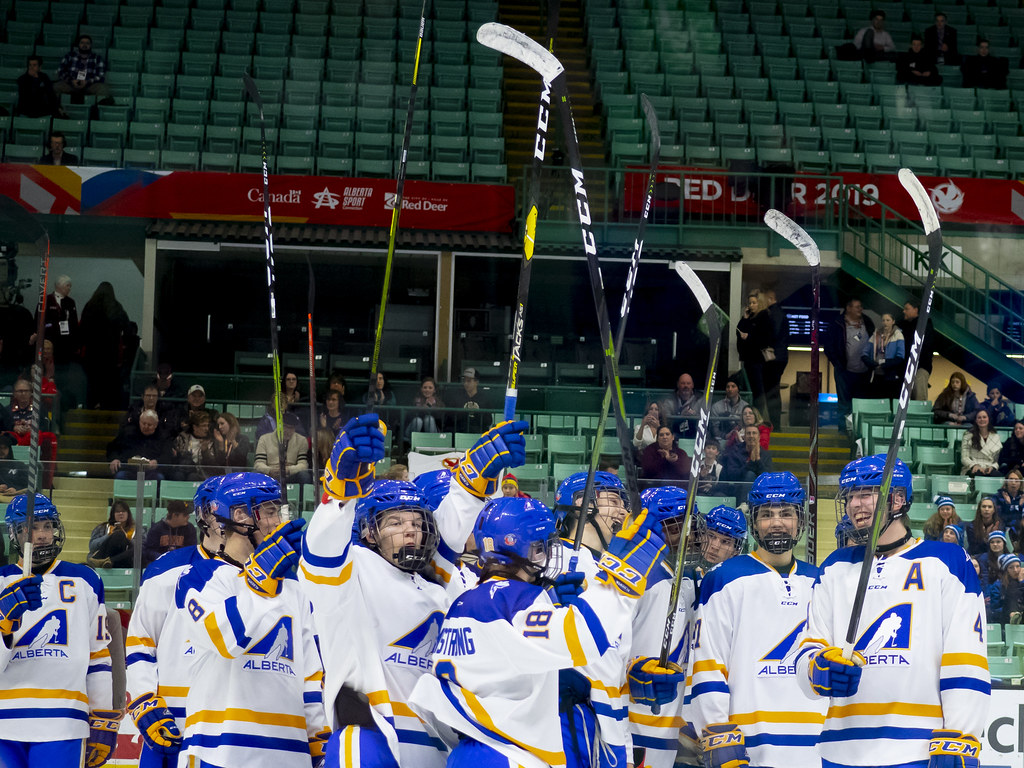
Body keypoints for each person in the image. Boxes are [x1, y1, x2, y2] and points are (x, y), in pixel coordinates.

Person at [299, 414, 527, 767]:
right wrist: (339, 493)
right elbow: (321, 552)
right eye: (395, 522)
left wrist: (475, 475)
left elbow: (449, 534)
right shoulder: (352, 572)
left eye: (417, 523)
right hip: (372, 741)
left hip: (436, 744)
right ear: (369, 532)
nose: (410, 531)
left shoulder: (438, 585)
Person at [408, 494, 670, 768]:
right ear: (518, 548)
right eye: (540, 547)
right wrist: (622, 576)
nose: (546, 555)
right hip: (506, 753)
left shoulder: (471, 599)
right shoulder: (514, 599)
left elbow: (522, 666)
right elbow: (583, 639)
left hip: (473, 750)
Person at [797, 454, 989, 768]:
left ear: (898, 499)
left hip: (919, 748)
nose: (855, 505)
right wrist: (817, 668)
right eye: (850, 497)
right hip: (841, 749)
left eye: (865, 493)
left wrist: (961, 735)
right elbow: (810, 648)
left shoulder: (946, 561)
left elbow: (965, 656)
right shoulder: (834, 567)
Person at [172, 473, 329, 767]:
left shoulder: (294, 590)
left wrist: (318, 736)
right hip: (219, 750)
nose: (278, 521)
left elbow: (310, 674)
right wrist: (262, 576)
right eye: (269, 511)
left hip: (290, 752)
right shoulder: (200, 577)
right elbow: (226, 639)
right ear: (240, 515)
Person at [689, 472, 825, 768]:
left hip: (818, 745)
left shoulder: (821, 582)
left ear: (801, 521)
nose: (776, 522)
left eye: (786, 513)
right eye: (766, 514)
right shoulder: (724, 578)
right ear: (753, 523)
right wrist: (715, 729)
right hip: (746, 744)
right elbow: (707, 662)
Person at [1, 494, 120, 768]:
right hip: (4, 720)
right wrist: (4, 618)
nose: (41, 535)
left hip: (64, 721)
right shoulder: (1, 581)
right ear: (14, 534)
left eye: (47, 526)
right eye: (31, 528)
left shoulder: (86, 580)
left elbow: (98, 656)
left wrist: (103, 718)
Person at [125, 476, 226, 768]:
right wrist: (145, 700)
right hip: (172, 721)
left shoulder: (264, 578)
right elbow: (141, 642)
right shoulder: (165, 570)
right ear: (204, 515)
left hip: (234, 726)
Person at [824, 297, 874, 433]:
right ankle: (843, 430)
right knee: (844, 403)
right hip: (844, 371)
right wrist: (837, 363)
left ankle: (858, 432)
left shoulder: (867, 322)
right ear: (849, 308)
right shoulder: (837, 323)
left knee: (860, 404)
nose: (860, 309)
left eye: (861, 306)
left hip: (864, 372)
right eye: (857, 307)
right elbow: (828, 346)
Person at [79, 281, 131, 410]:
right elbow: (128, 328)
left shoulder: (90, 306)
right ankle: (108, 405)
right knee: (110, 382)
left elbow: (82, 330)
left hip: (93, 353)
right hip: (110, 354)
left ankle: (92, 404)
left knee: (93, 381)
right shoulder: (116, 306)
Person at [106, 409, 173, 480]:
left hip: (152, 472)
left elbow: (167, 456)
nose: (146, 427)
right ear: (139, 422)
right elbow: (113, 448)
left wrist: (157, 462)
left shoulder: (163, 437)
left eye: (149, 425)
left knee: (158, 478)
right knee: (120, 476)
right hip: (129, 470)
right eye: (143, 423)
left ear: (156, 425)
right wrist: (114, 459)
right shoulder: (128, 433)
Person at [253, 411, 312, 484]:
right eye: (285, 427)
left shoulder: (301, 440)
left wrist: (288, 470)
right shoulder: (264, 439)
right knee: (256, 473)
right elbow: (258, 463)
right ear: (279, 425)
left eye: (291, 428)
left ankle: (303, 495)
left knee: (304, 475)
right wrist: (269, 470)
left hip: (290, 474)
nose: (288, 431)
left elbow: (303, 465)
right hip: (270, 474)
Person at [33, 274, 79, 365]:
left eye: (70, 286)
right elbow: (37, 321)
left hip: (65, 342)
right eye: (67, 285)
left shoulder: (70, 302)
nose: (69, 288)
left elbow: (74, 323)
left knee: (64, 367)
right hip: (48, 341)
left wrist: (75, 344)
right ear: (59, 286)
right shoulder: (46, 300)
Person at [761, 289, 789, 430]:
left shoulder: (774, 314)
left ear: (770, 299)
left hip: (773, 358)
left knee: (771, 392)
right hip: (779, 356)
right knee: (772, 391)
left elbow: (774, 335)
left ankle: (775, 425)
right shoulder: (778, 313)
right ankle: (775, 424)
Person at [861, 310, 905, 400]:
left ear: (893, 321)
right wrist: (871, 363)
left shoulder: (898, 335)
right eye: (883, 320)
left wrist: (886, 365)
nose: (885, 323)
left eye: (888, 320)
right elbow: (864, 352)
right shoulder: (876, 334)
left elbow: (900, 356)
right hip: (876, 372)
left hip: (890, 375)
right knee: (876, 400)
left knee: (889, 400)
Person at [54, 34, 110, 103]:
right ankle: (58, 110)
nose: (84, 45)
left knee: (103, 89)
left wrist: (88, 81)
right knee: (56, 87)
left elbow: (100, 75)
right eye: (82, 43)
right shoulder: (70, 56)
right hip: (71, 84)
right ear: (78, 44)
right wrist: (71, 81)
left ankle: (98, 111)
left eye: (87, 43)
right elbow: (61, 71)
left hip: (89, 85)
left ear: (91, 45)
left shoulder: (97, 58)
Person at [898, 298, 935, 401]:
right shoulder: (904, 325)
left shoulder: (925, 325)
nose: (904, 311)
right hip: (908, 367)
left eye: (906, 309)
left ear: (915, 309)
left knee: (919, 397)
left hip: (920, 367)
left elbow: (925, 346)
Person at [695, 503, 747, 574]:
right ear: (700, 536)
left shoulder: (737, 581)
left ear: (736, 550)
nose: (715, 546)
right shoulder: (682, 570)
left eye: (725, 542)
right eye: (711, 536)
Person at [142, 500, 196, 567]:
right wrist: (163, 558)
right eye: (185, 515)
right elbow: (149, 551)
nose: (188, 517)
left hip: (181, 565)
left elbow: (191, 550)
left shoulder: (190, 529)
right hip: (160, 565)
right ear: (174, 516)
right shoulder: (156, 529)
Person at [88, 499, 139, 568]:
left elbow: (141, 549)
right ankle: (106, 561)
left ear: (128, 514)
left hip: (125, 561)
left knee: (121, 536)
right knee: (118, 534)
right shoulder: (102, 528)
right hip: (106, 555)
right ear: (113, 514)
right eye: (117, 511)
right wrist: (109, 535)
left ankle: (110, 560)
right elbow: (92, 547)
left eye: (123, 511)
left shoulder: (138, 530)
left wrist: (126, 537)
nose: (121, 513)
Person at [170, 409, 217, 481]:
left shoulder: (211, 441)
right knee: (178, 475)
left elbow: (212, 465)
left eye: (207, 425)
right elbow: (175, 458)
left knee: (193, 477)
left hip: (202, 473)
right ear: (195, 427)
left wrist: (205, 451)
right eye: (203, 426)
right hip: (183, 470)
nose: (207, 429)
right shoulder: (182, 438)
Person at [447, 366, 491, 432]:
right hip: (460, 432)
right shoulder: (456, 396)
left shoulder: (484, 398)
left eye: (469, 381)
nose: (465, 383)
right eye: (464, 380)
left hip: (478, 432)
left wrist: (477, 413)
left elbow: (488, 421)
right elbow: (451, 418)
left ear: (476, 382)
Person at [961, 409, 1002, 477]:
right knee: (978, 474)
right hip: (973, 467)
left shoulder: (996, 436)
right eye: (979, 417)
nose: (982, 419)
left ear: (988, 419)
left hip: (990, 468)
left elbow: (997, 460)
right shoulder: (968, 435)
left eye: (984, 417)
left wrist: (993, 467)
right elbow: (964, 458)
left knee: (998, 475)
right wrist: (974, 465)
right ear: (976, 420)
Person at [662, 372, 701, 438]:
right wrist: (680, 416)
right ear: (678, 385)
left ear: (692, 385)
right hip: (675, 434)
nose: (686, 386)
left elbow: (705, 422)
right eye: (683, 383)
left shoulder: (701, 399)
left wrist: (693, 417)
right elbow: (666, 423)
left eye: (688, 383)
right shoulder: (669, 400)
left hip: (695, 435)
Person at [988, 554, 1024, 625]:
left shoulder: (1022, 582)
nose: (1015, 570)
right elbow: (994, 610)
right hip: (1004, 621)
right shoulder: (998, 586)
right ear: (1006, 570)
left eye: (1017, 566)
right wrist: (1009, 613)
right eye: (1011, 567)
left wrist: (1021, 583)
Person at [996, 469, 1024, 540]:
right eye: (1011, 479)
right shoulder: (998, 497)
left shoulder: (1023, 498)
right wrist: (1007, 505)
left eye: (1017, 480)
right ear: (1006, 481)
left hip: (1020, 530)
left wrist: (1021, 506)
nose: (1013, 483)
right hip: (1003, 529)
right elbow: (999, 517)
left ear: (1021, 483)